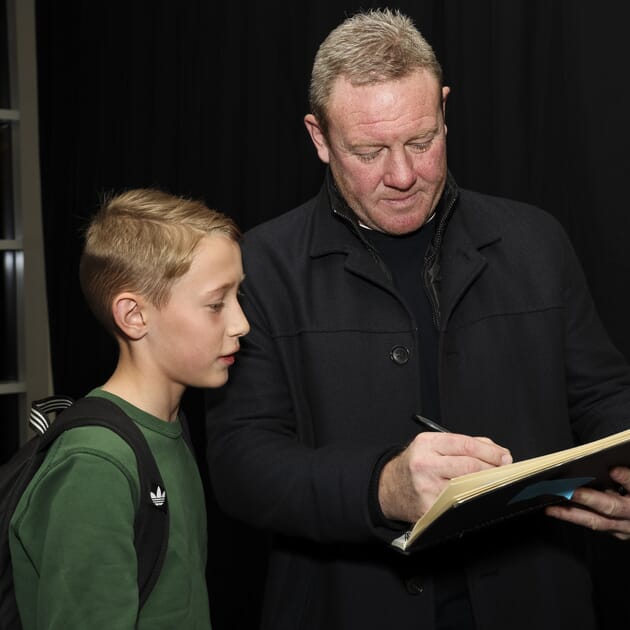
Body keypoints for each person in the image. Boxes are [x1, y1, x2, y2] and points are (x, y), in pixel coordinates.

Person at [205, 8, 630, 630]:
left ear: (444, 109)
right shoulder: (262, 266)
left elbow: (602, 396)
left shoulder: (536, 241)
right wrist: (383, 487)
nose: (402, 175)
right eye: (369, 151)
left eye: (422, 141)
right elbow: (241, 464)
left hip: (536, 601)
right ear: (319, 137)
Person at [10, 188, 249, 629]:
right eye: (217, 304)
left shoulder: (168, 427)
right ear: (134, 316)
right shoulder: (95, 464)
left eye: (238, 297)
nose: (241, 324)